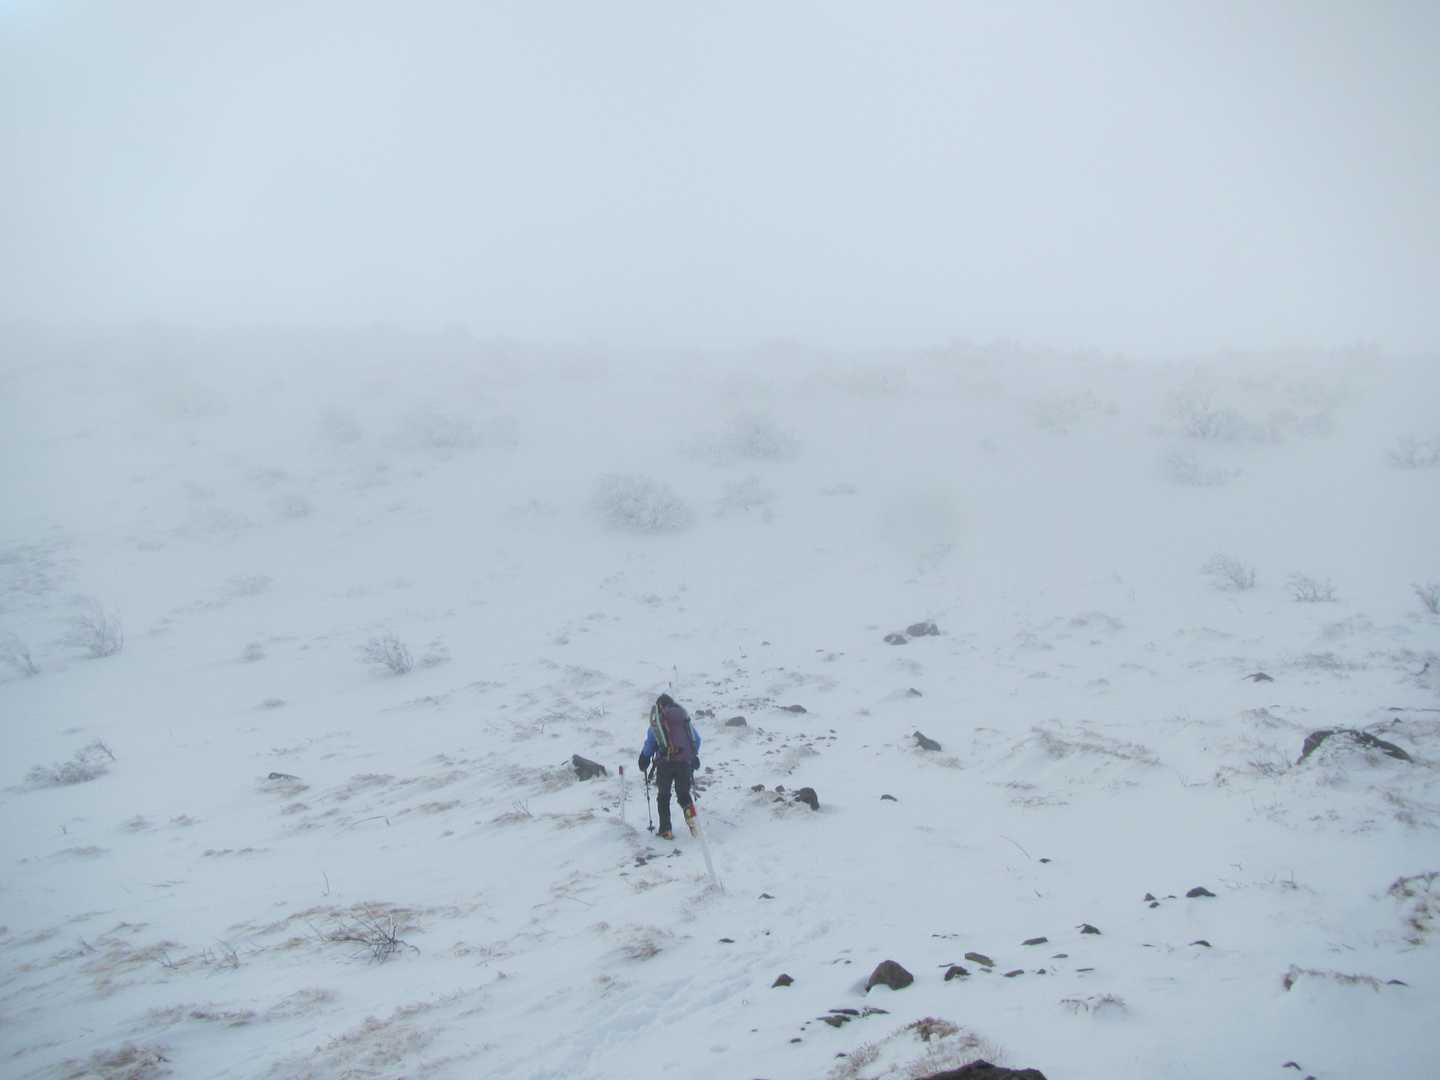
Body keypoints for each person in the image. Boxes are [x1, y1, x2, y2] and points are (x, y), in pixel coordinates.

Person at [638, 693, 701, 840]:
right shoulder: (684, 719)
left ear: (660, 706)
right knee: (684, 795)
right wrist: (692, 756)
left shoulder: (659, 720)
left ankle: (666, 830)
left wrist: (644, 759)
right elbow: (696, 740)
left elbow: (650, 743)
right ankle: (694, 825)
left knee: (663, 796)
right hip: (684, 763)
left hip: (665, 764)